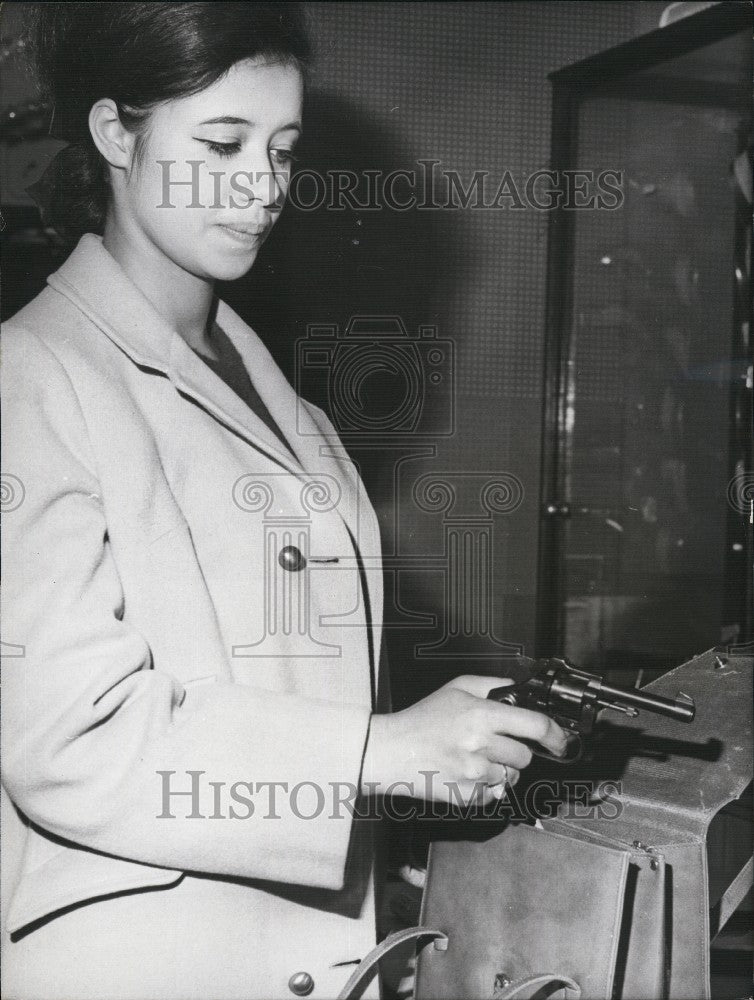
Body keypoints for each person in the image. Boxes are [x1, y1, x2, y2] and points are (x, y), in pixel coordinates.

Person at [0, 4, 567, 998]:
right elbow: (70, 738)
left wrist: (382, 886)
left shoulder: (283, 401)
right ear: (115, 134)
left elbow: (300, 691)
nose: (264, 186)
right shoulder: (29, 375)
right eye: (222, 145)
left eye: (283, 149)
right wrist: (385, 750)